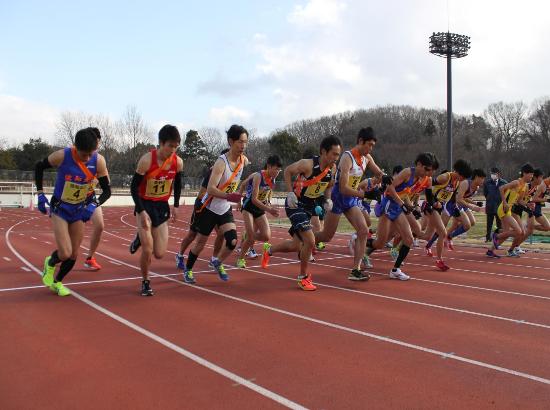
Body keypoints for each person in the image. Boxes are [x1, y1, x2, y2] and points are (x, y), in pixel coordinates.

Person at [35, 127, 111, 296]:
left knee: (74, 254)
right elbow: (39, 167)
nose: (87, 158)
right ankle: (50, 262)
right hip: (60, 208)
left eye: (91, 153)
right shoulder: (62, 156)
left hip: (79, 209)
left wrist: (93, 205)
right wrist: (40, 194)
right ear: (76, 147)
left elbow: (107, 191)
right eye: (84, 154)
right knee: (65, 252)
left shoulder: (98, 161)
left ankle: (57, 282)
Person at [262, 136, 342, 290]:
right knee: (310, 241)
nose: (336, 158)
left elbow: (329, 185)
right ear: (324, 152)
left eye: (338, 155)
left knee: (296, 245)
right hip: (295, 204)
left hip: (310, 205)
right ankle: (303, 277)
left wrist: (327, 199)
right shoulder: (307, 164)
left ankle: (269, 250)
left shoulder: (332, 169)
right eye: (334, 154)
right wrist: (290, 192)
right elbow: (287, 171)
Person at [314, 127, 384, 281]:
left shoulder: (367, 158)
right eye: (369, 145)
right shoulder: (347, 157)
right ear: (360, 141)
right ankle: (304, 239)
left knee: (363, 230)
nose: (371, 148)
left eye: (373, 145)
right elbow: (343, 188)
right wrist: (365, 194)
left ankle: (355, 270)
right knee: (326, 236)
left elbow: (379, 173)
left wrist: (385, 178)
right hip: (339, 198)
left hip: (351, 200)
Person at [182, 124, 249, 284]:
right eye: (240, 142)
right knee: (200, 244)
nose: (243, 146)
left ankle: (217, 262)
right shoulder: (221, 163)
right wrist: (229, 196)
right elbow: (211, 189)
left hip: (224, 208)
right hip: (209, 208)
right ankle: (188, 269)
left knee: (232, 241)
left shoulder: (243, 161)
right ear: (230, 141)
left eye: (246, 142)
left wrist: (236, 195)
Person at [129, 125, 184, 296]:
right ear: (161, 143)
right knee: (147, 249)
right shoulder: (146, 160)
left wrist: (175, 205)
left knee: (159, 253)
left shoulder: (178, 162)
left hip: (161, 206)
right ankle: (145, 282)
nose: (173, 150)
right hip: (144, 204)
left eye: (176, 146)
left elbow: (178, 183)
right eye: (170, 146)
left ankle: (139, 237)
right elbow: (133, 187)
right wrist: (141, 211)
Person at [364, 153, 436, 280]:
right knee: (380, 243)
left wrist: (412, 207)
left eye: (430, 170)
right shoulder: (407, 172)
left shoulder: (422, 179)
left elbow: (406, 194)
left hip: (398, 207)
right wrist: (401, 203)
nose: (428, 173)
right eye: (426, 169)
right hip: (388, 205)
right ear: (419, 164)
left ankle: (395, 270)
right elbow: (389, 188)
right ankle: (359, 241)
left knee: (408, 239)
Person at [236, 155, 282, 268]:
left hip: (260, 207)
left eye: (279, 170)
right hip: (249, 206)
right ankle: (240, 259)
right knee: (251, 237)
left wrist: (267, 202)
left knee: (266, 236)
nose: (277, 172)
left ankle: (248, 235)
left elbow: (267, 192)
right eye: (276, 169)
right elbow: (253, 198)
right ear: (269, 166)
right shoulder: (258, 176)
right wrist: (238, 201)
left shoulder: (273, 178)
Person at [487, 163, 534, 258]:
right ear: (524, 173)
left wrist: (527, 204)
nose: (531, 176)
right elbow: (501, 188)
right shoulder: (516, 182)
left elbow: (519, 200)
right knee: (519, 231)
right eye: (530, 174)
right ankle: (496, 236)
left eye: (533, 175)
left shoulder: (524, 187)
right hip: (503, 209)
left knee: (506, 233)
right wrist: (504, 203)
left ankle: (490, 251)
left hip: (508, 210)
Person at [83, 128, 107, 270]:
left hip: (90, 196)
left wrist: (95, 180)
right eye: (95, 142)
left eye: (98, 142)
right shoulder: (73, 154)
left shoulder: (98, 159)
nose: (97, 145)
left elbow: (106, 181)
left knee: (100, 226)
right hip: (72, 198)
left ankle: (89, 257)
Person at [483, 167, 506, 241]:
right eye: (491, 174)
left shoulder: (504, 183)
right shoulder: (487, 183)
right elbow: (485, 193)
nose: (492, 175)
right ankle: (488, 237)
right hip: (490, 206)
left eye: (494, 174)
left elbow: (506, 194)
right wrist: (490, 199)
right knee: (489, 224)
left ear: (498, 174)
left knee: (499, 224)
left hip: (499, 206)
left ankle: (498, 237)